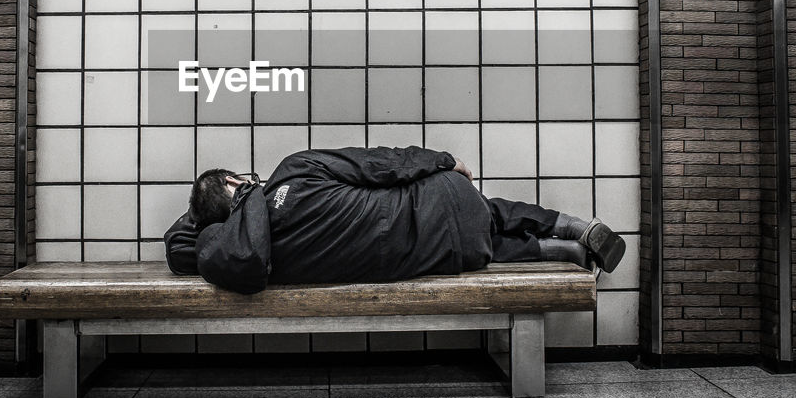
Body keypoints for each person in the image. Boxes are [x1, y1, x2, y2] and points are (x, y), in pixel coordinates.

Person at [164, 145, 627, 294]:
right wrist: (444, 161)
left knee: (479, 250)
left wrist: (205, 216)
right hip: (444, 202)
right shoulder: (294, 171)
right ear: (237, 182)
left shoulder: (247, 254)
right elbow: (382, 163)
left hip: (444, 255)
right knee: (490, 210)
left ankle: (553, 253)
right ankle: (572, 227)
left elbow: (179, 247)